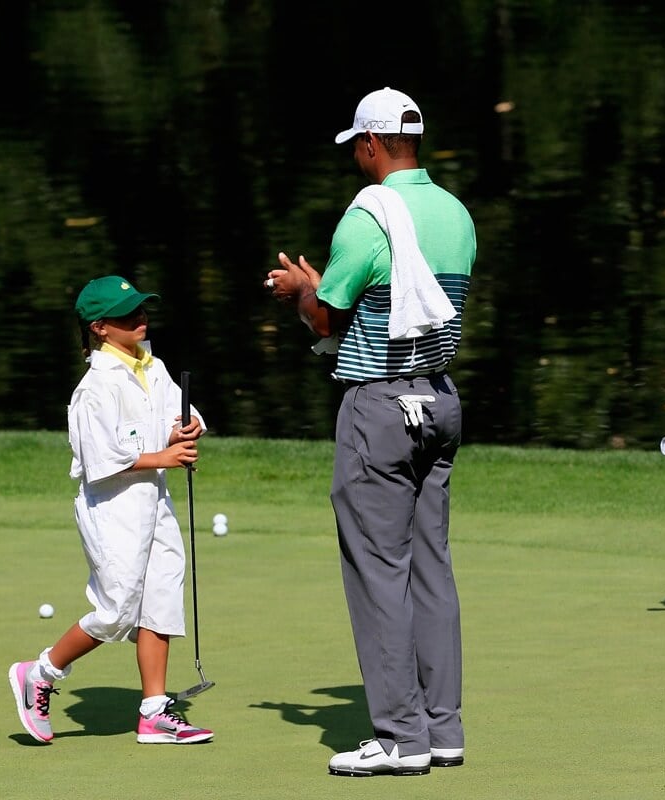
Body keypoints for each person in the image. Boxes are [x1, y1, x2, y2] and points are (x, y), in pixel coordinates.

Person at [265, 87, 476, 777]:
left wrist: (301, 291)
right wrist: (325, 289)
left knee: (379, 574)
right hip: (440, 401)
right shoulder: (457, 213)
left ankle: (399, 740)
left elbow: (329, 323)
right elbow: (402, 306)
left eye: (358, 145)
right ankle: (442, 731)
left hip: (379, 409)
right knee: (431, 570)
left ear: (372, 145)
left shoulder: (366, 215)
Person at [8, 275, 214, 745]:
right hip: (111, 507)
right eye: (128, 315)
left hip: (153, 499)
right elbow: (100, 463)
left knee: (161, 597)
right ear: (100, 328)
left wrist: (186, 428)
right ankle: (39, 672)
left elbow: (176, 417)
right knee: (117, 609)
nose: (141, 319)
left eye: (142, 310)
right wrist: (164, 455)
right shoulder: (92, 389)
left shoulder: (153, 367)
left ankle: (154, 712)